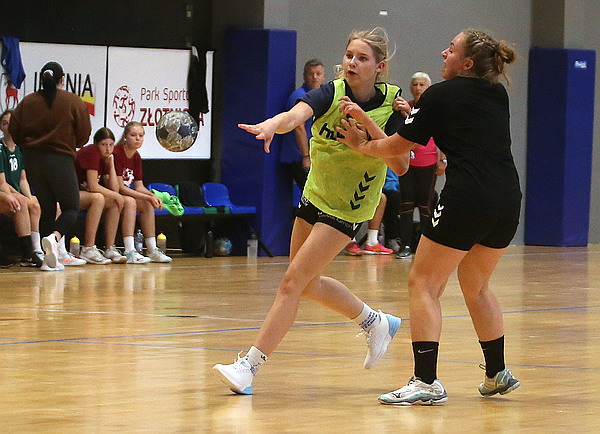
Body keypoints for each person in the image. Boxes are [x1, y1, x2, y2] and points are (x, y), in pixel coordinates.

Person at [213, 28, 405, 395]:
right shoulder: (331, 92)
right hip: (315, 194)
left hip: (349, 206)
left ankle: (248, 367)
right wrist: (273, 125)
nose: (352, 62)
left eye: (362, 58)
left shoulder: (392, 106)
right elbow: (295, 114)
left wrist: (365, 125)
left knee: (291, 283)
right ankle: (374, 322)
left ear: (379, 67)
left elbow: (400, 164)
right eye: (349, 55)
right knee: (305, 282)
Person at [338, 28, 521, 405]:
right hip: (506, 199)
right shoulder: (497, 93)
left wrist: (360, 144)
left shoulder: (441, 94)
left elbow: (396, 147)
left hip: (466, 198)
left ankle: (425, 381)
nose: (443, 53)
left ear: (466, 63)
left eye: (451, 49)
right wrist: (379, 121)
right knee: (477, 285)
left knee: (423, 283)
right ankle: (497, 372)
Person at [9, 61, 91, 271]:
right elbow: (84, 134)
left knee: (47, 208)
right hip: (59, 160)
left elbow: (14, 129)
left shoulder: (27, 102)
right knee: (71, 207)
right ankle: (54, 239)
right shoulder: (72, 101)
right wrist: (71, 143)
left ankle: (48, 260)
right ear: (62, 79)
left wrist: (27, 146)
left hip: (32, 160)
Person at [393, 72, 446, 259]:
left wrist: (443, 160)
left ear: (428, 87)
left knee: (425, 205)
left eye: (422, 84)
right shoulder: (403, 108)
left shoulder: (433, 108)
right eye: (415, 84)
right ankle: (405, 245)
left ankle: (425, 248)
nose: (418, 88)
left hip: (427, 161)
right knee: (406, 204)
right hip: (407, 162)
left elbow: (441, 135)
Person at [113, 121, 171, 263]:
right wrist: (148, 197)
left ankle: (152, 250)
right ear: (125, 136)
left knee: (147, 203)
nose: (137, 139)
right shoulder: (117, 153)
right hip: (113, 194)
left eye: (140, 135)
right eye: (133, 135)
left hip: (125, 194)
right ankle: (129, 251)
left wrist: (152, 196)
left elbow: (139, 185)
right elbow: (120, 187)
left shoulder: (136, 156)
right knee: (131, 202)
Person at [75, 127, 135, 264]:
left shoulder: (106, 158)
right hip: (69, 193)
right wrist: (116, 195)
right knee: (99, 198)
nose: (108, 149)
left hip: (84, 195)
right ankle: (88, 248)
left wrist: (111, 164)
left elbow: (114, 188)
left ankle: (110, 248)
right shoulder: (92, 152)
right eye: (104, 145)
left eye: (111, 145)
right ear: (96, 144)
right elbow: (93, 186)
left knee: (114, 202)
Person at [0, 110, 43, 267]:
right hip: (4, 191)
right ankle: (27, 253)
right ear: (1, 127)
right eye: (5, 123)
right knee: (21, 204)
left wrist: (29, 197)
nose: (9, 126)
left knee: (36, 204)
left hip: (13, 190)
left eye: (12, 123)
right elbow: (2, 183)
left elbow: (23, 179)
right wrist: (17, 196)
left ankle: (39, 249)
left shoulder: (20, 149)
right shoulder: (1, 148)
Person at [280, 59, 325, 192]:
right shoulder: (300, 97)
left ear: (323, 76)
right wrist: (306, 156)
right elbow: (299, 128)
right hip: (298, 157)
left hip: (313, 154)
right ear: (304, 76)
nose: (315, 77)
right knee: (313, 194)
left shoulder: (320, 96)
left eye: (318, 74)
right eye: (311, 74)